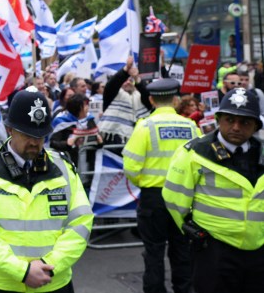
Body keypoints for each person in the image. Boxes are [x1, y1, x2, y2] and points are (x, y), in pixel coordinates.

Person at [0, 89, 93, 292]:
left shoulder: (64, 169)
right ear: (9, 130)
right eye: (28, 135)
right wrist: (22, 271)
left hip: (52, 282)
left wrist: (49, 266)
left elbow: (81, 224)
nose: (35, 142)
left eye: (41, 136)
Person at [163, 87, 264, 293]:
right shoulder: (194, 152)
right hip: (214, 250)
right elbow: (174, 199)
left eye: (244, 122)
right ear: (219, 119)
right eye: (229, 120)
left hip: (258, 250)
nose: (236, 127)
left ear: (255, 126)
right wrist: (195, 231)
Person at [122, 79, 200, 293]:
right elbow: (200, 164)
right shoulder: (191, 126)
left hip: (154, 198)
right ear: (175, 100)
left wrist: (144, 183)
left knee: (154, 252)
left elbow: (130, 166)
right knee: (182, 250)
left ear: (151, 100)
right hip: (183, 199)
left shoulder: (145, 126)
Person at [98, 55, 152, 145]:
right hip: (114, 142)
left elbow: (147, 94)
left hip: (139, 142)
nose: (127, 82)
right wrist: (126, 70)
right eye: (125, 80)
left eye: (130, 80)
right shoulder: (113, 95)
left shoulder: (140, 96)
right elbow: (111, 85)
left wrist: (137, 78)